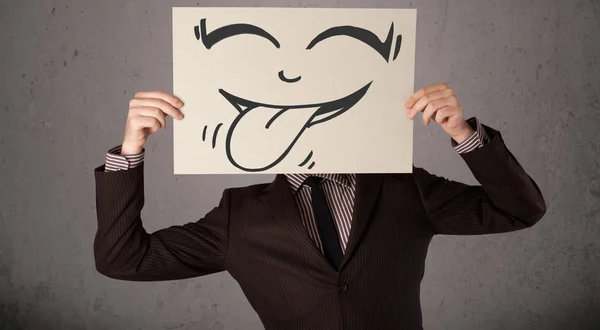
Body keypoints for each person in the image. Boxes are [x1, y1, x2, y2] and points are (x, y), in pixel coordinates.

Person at [93, 82, 546, 330]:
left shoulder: (404, 187)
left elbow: (519, 209)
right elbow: (123, 259)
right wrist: (131, 150)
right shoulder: (240, 215)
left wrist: (465, 134)